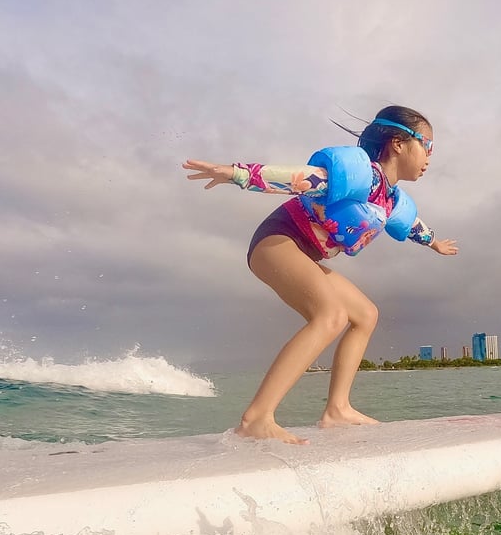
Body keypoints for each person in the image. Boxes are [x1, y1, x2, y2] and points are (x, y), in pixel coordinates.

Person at [183, 105, 458, 444]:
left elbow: (412, 226)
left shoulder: (389, 198)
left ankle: (337, 410)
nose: (430, 155)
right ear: (399, 143)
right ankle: (256, 418)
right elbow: (299, 180)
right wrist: (237, 173)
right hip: (278, 241)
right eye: (427, 144)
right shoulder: (361, 176)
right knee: (330, 315)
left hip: (303, 253)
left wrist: (434, 244)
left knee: (365, 314)